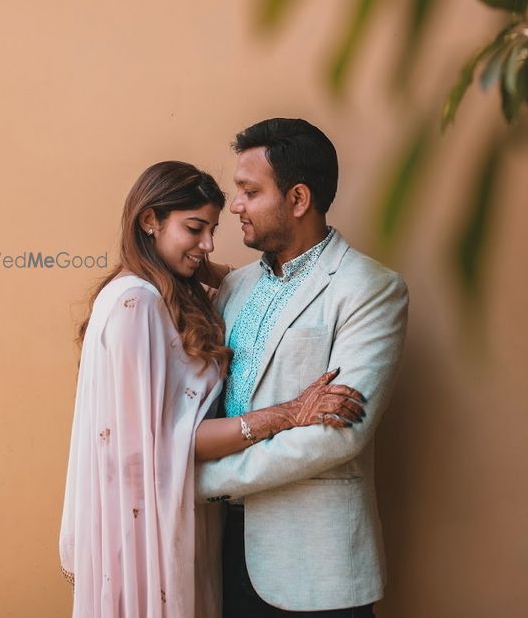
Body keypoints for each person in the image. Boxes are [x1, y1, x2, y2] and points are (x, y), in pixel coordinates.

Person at [59, 161, 364, 617]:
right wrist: (289, 413)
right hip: (151, 533)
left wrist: (206, 266)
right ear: (150, 220)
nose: (208, 244)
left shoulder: (161, 291)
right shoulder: (135, 304)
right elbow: (160, 443)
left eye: (212, 230)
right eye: (195, 228)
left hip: (185, 520)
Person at [196, 118, 409, 617]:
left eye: (249, 191)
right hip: (222, 553)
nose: (235, 206)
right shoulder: (234, 287)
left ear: (297, 199)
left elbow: (339, 434)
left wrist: (206, 481)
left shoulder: (370, 288)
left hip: (315, 563)